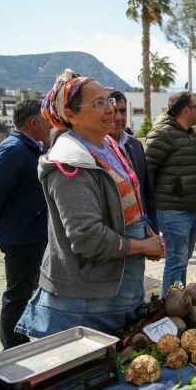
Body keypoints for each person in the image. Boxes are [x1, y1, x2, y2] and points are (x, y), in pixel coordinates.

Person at [15, 70, 165, 338]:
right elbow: (87, 237)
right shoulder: (69, 163)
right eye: (98, 103)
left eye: (108, 100)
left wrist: (148, 236)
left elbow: (128, 209)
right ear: (70, 115)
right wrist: (142, 246)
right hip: (85, 302)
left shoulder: (108, 144)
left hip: (120, 287)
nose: (110, 110)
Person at [0, 100, 50, 349]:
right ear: (33, 122)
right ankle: (12, 348)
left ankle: (23, 342)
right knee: (17, 295)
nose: (49, 124)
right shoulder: (14, 150)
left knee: (29, 291)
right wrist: (5, 231)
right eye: (45, 120)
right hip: (21, 237)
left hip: (33, 234)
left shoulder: (31, 148)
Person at [145, 91, 196, 295]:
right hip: (172, 210)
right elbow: (147, 172)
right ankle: (170, 308)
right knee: (176, 262)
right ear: (186, 110)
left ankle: (179, 303)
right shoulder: (164, 134)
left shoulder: (188, 133)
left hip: (191, 208)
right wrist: (148, 212)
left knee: (182, 260)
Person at [109, 90, 157, 233]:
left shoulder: (135, 145)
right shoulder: (96, 149)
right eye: (113, 111)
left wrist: (153, 230)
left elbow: (147, 192)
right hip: (112, 238)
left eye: (123, 111)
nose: (118, 117)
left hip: (139, 231)